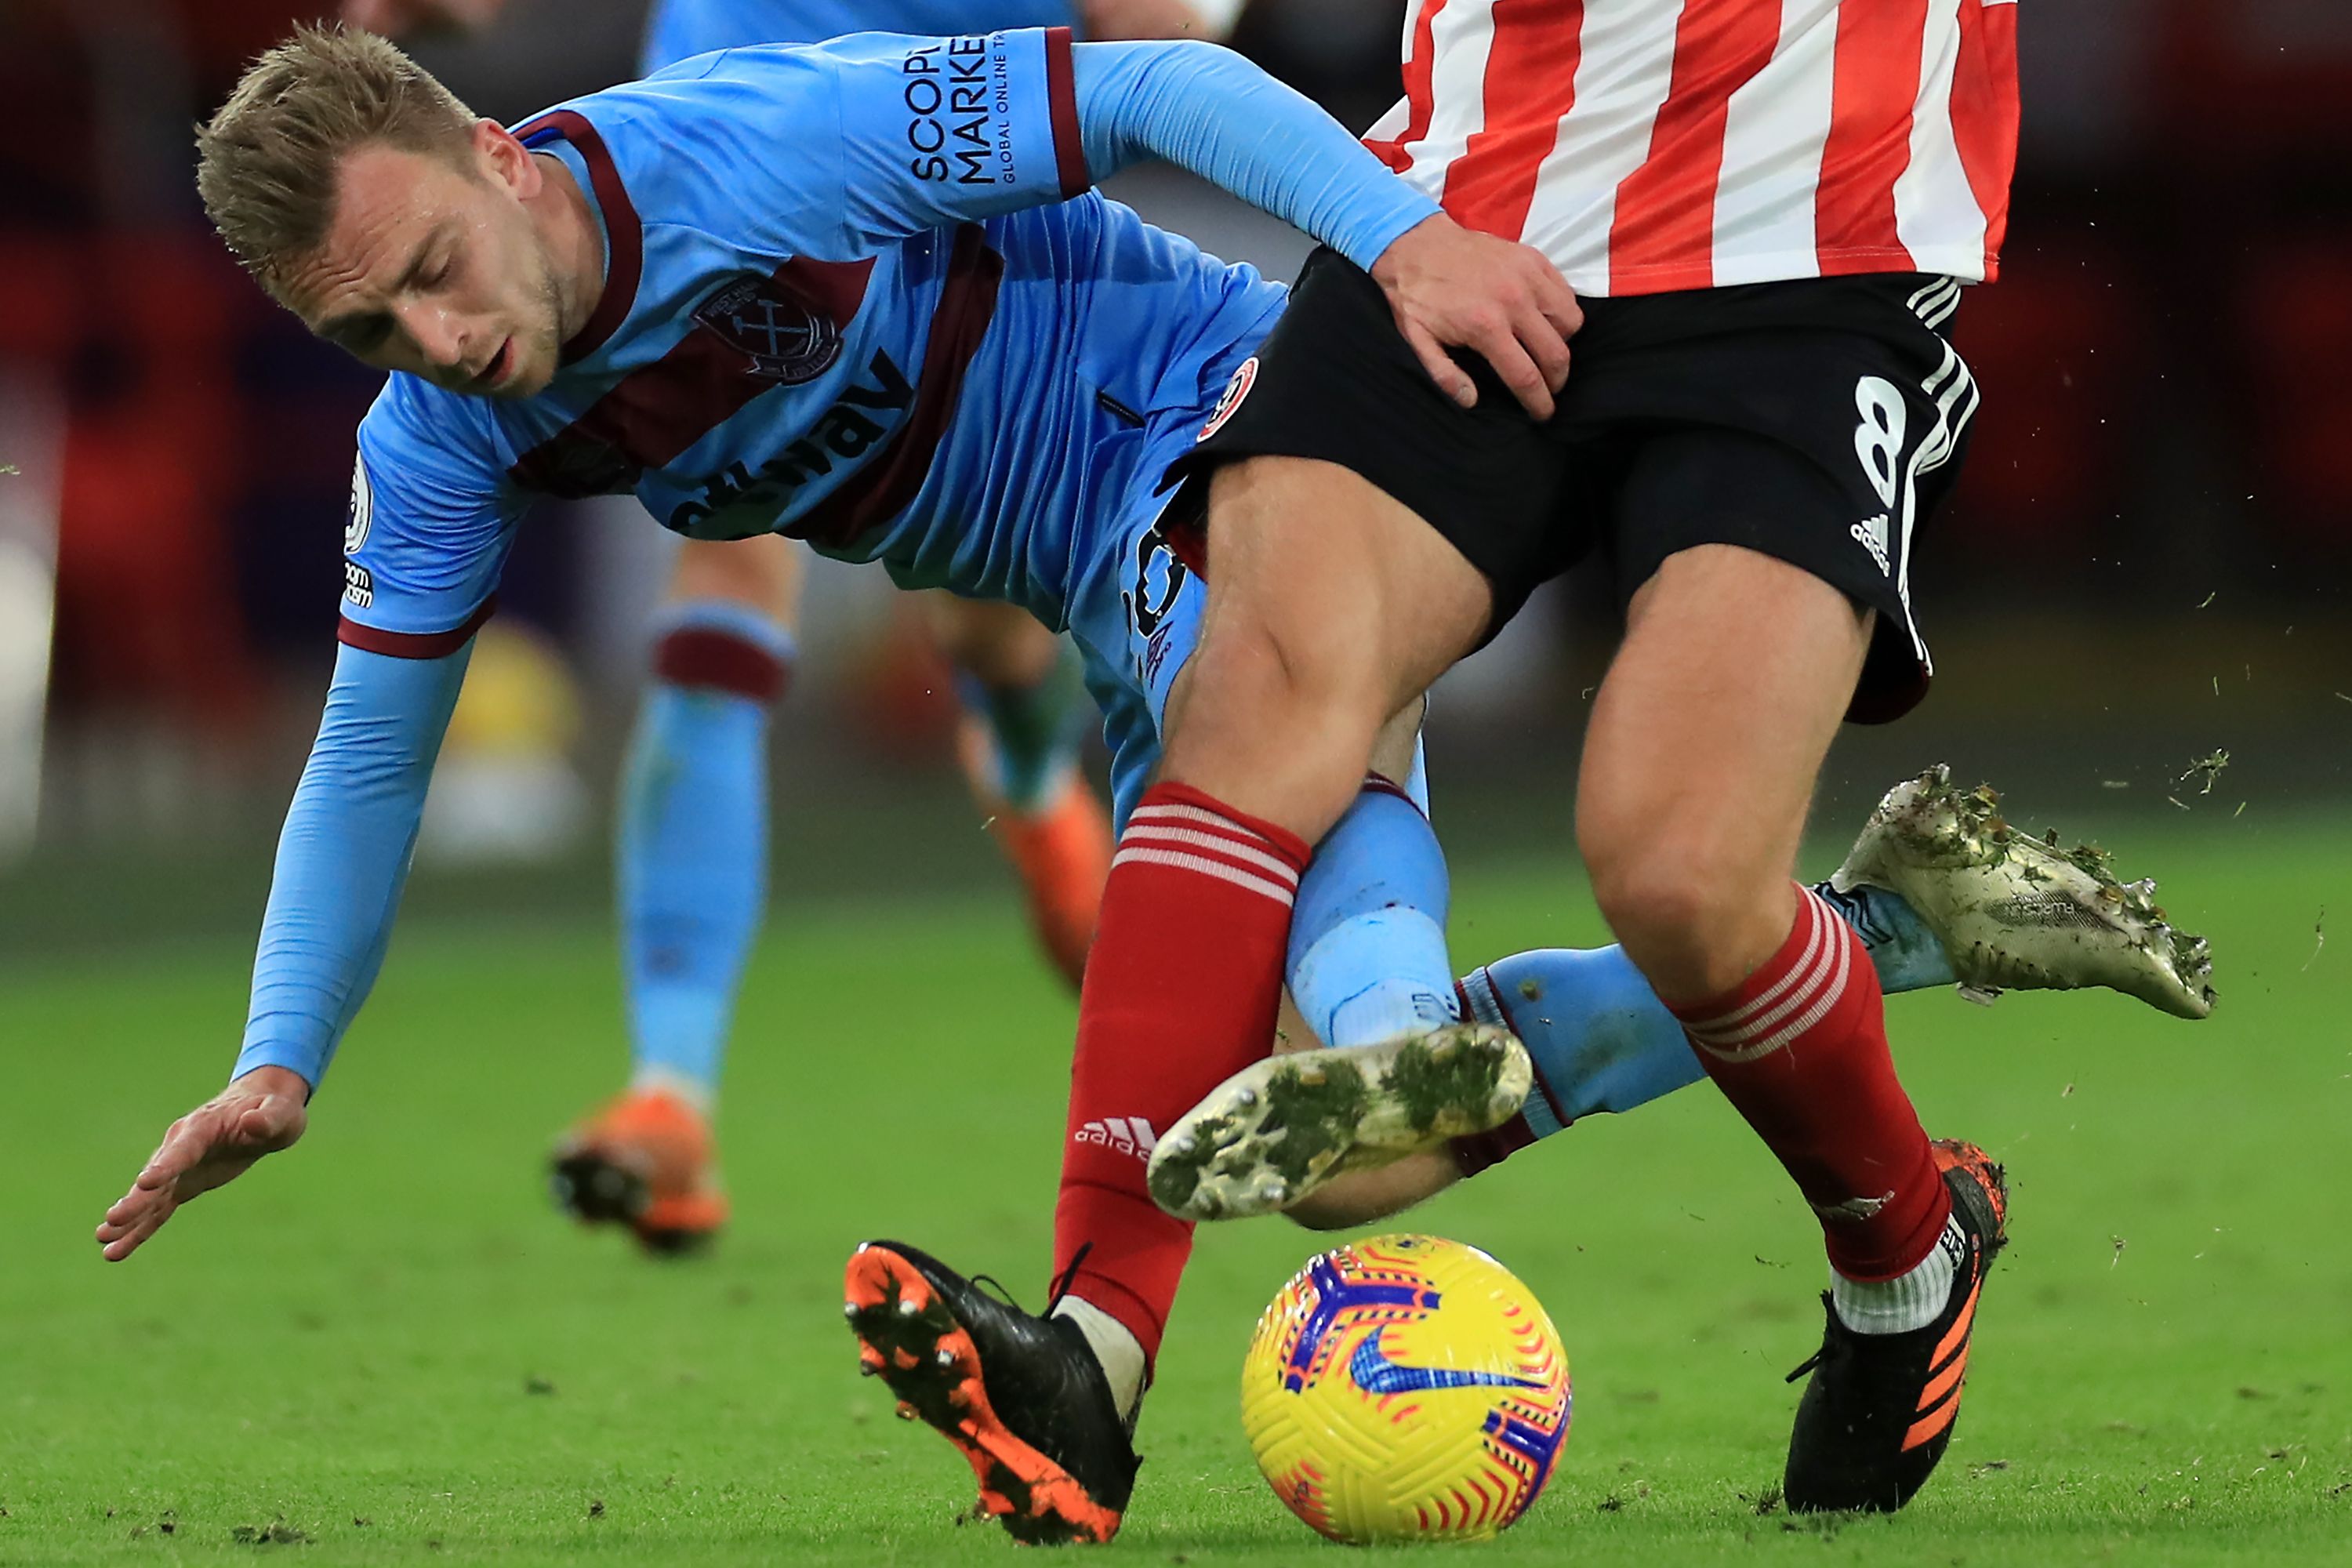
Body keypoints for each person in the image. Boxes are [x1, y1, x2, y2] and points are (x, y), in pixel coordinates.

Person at [835, 0, 2174, 1531]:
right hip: (1472, 207)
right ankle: (1089, 1364)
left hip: (1803, 250)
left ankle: (1905, 1250)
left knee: (1675, 874)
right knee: (1255, 715)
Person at [342, 0, 1254, 1254]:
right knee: (724, 589)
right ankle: (671, 1091)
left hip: (947, 169)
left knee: (995, 614)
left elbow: (1170, 45)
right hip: (727, 158)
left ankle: (1032, 768)